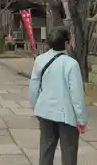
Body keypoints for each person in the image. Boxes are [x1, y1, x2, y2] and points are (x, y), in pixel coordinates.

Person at [29, 26, 88, 165]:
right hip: (66, 114)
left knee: (46, 149)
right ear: (67, 42)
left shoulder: (40, 60)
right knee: (69, 151)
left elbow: (33, 88)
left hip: (45, 111)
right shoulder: (71, 64)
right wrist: (81, 119)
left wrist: (36, 107)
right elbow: (77, 94)